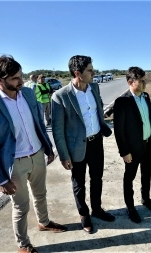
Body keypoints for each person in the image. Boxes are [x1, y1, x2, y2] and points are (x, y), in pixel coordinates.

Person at [0, 55, 67, 253]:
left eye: (21, 76)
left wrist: (48, 148)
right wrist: (0, 179)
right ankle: (23, 244)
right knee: (21, 207)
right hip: (15, 164)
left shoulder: (28, 93)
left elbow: (39, 123)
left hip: (37, 155)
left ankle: (44, 222)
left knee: (41, 195)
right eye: (15, 78)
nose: (21, 81)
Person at [51, 55, 115, 234]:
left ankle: (97, 209)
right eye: (90, 70)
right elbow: (57, 130)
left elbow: (98, 110)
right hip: (76, 148)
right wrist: (64, 155)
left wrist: (103, 126)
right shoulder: (60, 96)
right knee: (79, 183)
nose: (94, 73)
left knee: (97, 178)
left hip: (96, 142)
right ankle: (84, 214)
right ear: (77, 73)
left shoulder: (94, 87)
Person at [114, 66, 151, 224]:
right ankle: (130, 208)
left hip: (148, 144)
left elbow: (149, 119)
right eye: (141, 81)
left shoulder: (146, 96)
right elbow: (119, 131)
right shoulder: (122, 101)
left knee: (146, 173)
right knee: (130, 177)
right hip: (132, 149)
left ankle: (146, 200)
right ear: (130, 82)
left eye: (144, 80)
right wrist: (124, 152)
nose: (144, 83)